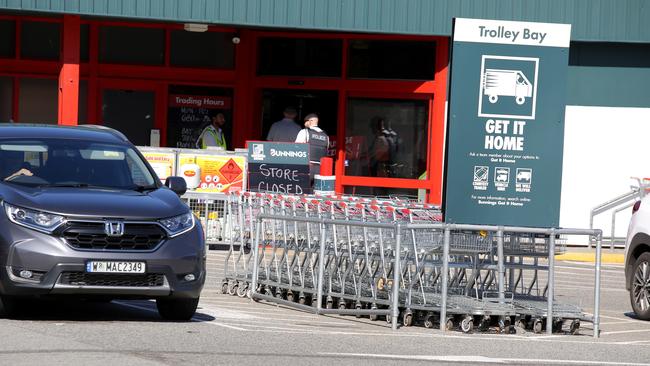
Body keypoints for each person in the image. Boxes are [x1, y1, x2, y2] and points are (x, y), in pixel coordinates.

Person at [296, 113, 329, 181]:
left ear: (310, 121)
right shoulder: (326, 136)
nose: (304, 123)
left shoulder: (304, 132)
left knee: (304, 189)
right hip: (321, 169)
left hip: (307, 167)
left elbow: (296, 148)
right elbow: (326, 150)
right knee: (317, 190)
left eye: (305, 121)